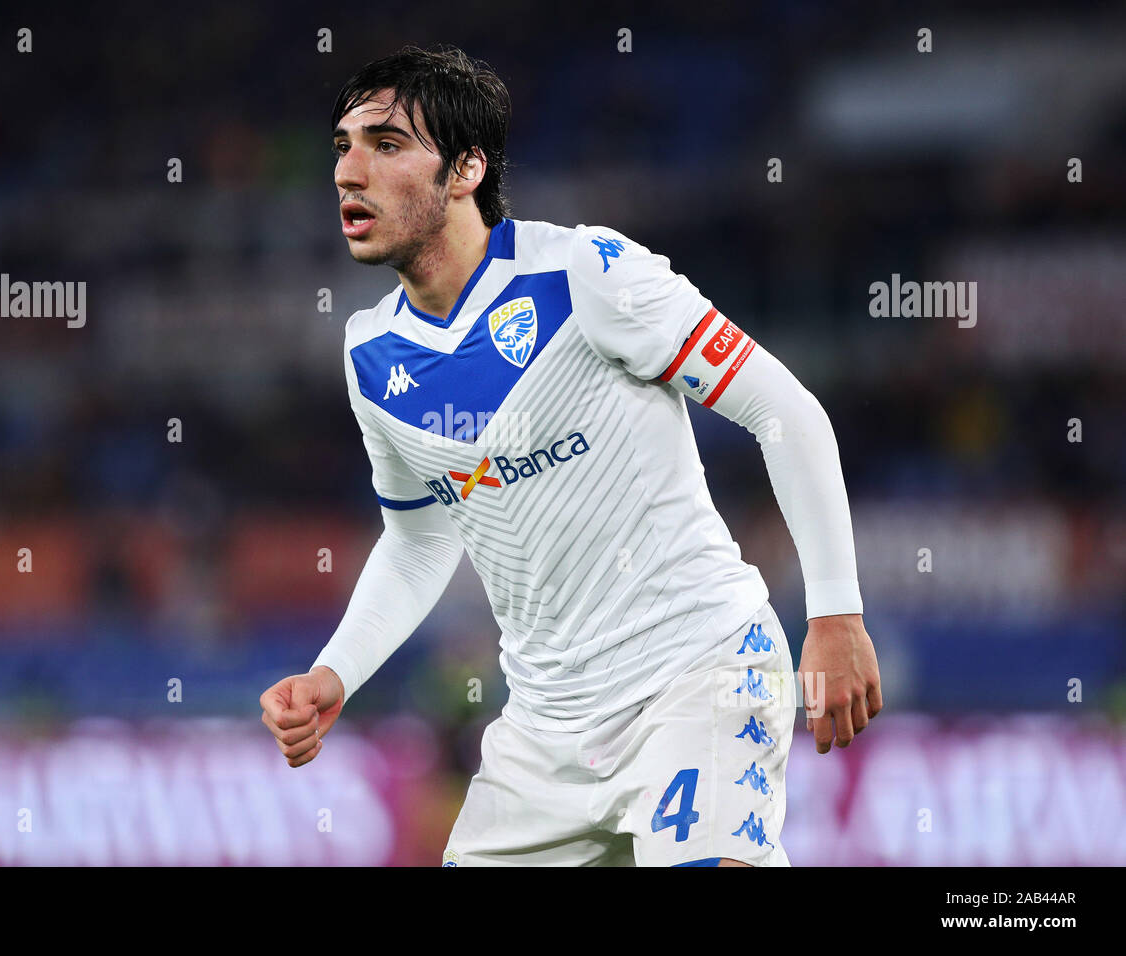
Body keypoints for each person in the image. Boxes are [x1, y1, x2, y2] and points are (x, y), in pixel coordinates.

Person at [260, 44, 882, 866]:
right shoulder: (372, 355)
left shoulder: (582, 272)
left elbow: (784, 410)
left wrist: (835, 611)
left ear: (466, 168)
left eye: (386, 144)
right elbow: (420, 539)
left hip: (696, 674)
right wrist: (335, 672)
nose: (348, 172)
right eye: (342, 146)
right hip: (544, 732)